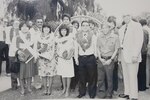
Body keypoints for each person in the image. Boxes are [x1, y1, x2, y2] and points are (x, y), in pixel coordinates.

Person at [118, 15, 143, 100]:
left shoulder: (137, 25)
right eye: (124, 16)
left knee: (132, 76)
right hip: (123, 54)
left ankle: (134, 96)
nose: (125, 17)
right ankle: (127, 93)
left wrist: (135, 55)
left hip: (133, 56)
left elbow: (139, 41)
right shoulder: (122, 28)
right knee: (126, 75)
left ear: (130, 16)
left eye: (127, 15)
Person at [75, 21, 97, 98]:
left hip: (90, 57)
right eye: (83, 25)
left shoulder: (93, 35)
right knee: (82, 76)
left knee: (92, 76)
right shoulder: (78, 36)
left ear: (89, 26)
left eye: (86, 25)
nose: (85, 27)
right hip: (81, 58)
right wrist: (76, 59)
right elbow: (76, 48)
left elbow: (95, 47)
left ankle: (92, 93)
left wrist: (95, 57)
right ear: (81, 26)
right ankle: (82, 92)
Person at [97, 22, 119, 99]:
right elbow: (98, 48)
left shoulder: (115, 37)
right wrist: (100, 58)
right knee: (100, 78)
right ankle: (101, 93)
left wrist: (111, 59)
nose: (104, 29)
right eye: (103, 28)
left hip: (110, 60)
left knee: (109, 78)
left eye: (106, 27)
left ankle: (109, 93)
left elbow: (116, 50)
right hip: (101, 60)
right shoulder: (99, 37)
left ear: (109, 28)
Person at [36, 24, 56, 95]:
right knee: (43, 74)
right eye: (45, 28)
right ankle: (45, 89)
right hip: (42, 58)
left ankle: (49, 89)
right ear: (42, 29)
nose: (46, 29)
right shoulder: (39, 37)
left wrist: (51, 56)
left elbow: (54, 48)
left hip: (50, 58)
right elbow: (37, 47)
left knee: (50, 74)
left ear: (50, 29)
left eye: (48, 28)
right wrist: (38, 53)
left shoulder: (52, 37)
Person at [17, 22, 36, 95]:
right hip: (21, 57)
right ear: (20, 28)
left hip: (30, 57)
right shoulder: (17, 36)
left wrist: (34, 56)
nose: (24, 28)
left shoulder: (32, 36)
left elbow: (34, 47)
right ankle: (22, 88)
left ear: (29, 28)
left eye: (26, 26)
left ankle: (29, 87)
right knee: (21, 73)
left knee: (29, 73)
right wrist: (18, 51)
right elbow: (14, 47)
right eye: (23, 26)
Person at [56, 24, 75, 97]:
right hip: (61, 59)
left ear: (67, 31)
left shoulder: (70, 38)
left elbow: (72, 48)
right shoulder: (58, 39)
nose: (63, 32)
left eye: (65, 30)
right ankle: (64, 88)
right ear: (60, 31)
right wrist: (60, 55)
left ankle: (67, 90)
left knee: (68, 75)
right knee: (63, 75)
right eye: (62, 30)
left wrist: (69, 55)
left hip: (68, 59)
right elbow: (57, 49)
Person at [8, 20, 20, 90]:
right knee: (13, 69)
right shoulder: (9, 31)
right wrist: (14, 52)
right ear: (12, 24)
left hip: (20, 52)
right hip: (12, 53)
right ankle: (14, 85)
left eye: (18, 23)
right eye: (15, 23)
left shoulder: (21, 32)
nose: (16, 24)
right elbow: (9, 43)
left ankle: (22, 84)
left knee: (21, 69)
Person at [138, 19, 149, 91]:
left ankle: (139, 86)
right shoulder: (146, 31)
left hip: (139, 52)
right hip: (144, 52)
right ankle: (143, 86)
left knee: (139, 70)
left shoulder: (138, 32)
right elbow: (147, 41)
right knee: (144, 69)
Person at [70, 20, 80, 91]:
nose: (75, 26)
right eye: (74, 25)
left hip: (78, 55)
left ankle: (75, 84)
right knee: (72, 70)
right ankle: (71, 85)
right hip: (71, 55)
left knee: (77, 70)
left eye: (77, 25)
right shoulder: (69, 34)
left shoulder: (79, 34)